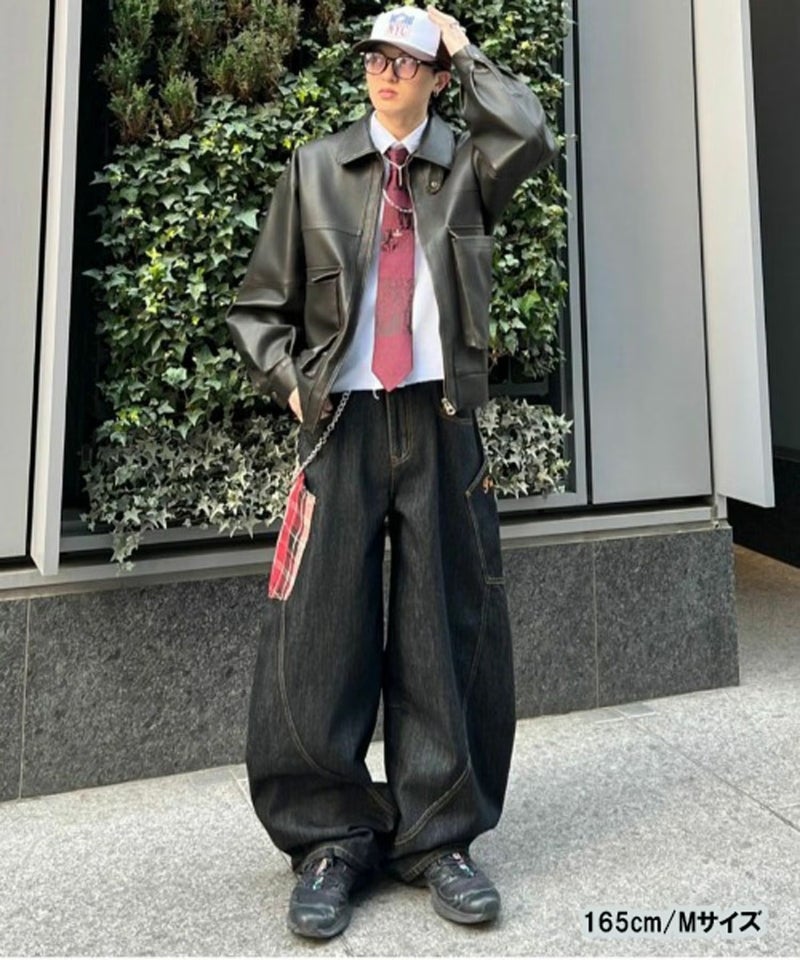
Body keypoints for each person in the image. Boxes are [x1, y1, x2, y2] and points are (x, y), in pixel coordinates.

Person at [226, 3, 557, 939]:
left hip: (441, 420)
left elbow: (531, 131)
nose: (385, 71)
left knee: (443, 626)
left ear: (438, 79)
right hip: (341, 423)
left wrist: (463, 44)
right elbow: (258, 309)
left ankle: (438, 836)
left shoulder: (470, 166)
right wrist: (295, 389)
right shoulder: (316, 168)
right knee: (318, 632)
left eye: (407, 61)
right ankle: (329, 839)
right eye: (376, 56)